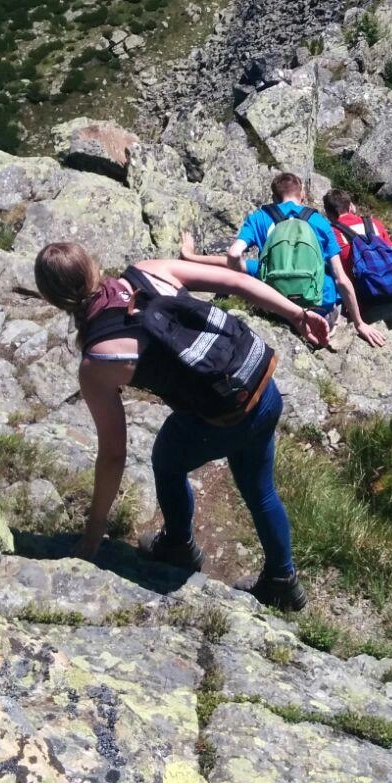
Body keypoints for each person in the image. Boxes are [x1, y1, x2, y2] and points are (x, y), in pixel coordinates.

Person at [33, 240, 330, 612]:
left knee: (168, 458)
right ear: (93, 265)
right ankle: (282, 580)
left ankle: (178, 545)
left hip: (225, 413)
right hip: (261, 384)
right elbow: (233, 281)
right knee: (260, 488)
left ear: (54, 299)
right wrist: (297, 314)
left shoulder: (97, 360)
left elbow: (113, 454)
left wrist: (93, 535)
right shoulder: (149, 270)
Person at [226, 173, 387, 348]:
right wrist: (359, 323)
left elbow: (234, 254)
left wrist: (244, 285)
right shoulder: (319, 222)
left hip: (277, 307)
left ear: (274, 196)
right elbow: (341, 279)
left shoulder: (258, 218)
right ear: (302, 193)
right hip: (319, 308)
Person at [322, 187, 392, 333]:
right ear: (350, 206)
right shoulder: (374, 223)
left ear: (329, 213)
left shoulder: (332, 234)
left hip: (365, 307)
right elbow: (391, 260)